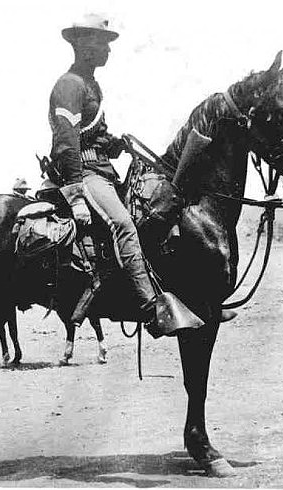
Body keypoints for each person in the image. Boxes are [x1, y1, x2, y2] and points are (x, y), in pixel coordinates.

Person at [49, 14, 200, 333]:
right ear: (82, 46)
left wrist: (114, 143)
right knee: (124, 224)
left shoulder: (90, 84)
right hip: (85, 174)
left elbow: (91, 133)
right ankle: (149, 308)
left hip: (102, 170)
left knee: (150, 214)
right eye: (101, 43)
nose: (107, 50)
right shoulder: (69, 85)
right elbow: (66, 143)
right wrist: (75, 194)